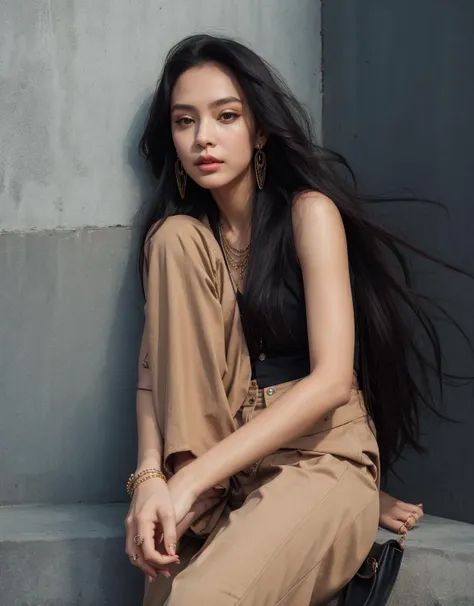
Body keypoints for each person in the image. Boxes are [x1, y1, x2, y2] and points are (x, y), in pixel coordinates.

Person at [121, 33, 474, 605]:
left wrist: (188, 480)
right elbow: (150, 379)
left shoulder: (309, 214)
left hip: (315, 455)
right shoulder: (180, 242)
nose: (202, 137)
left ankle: (335, 499)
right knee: (173, 236)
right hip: (216, 471)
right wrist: (151, 480)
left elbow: (332, 381)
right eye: (184, 121)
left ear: (260, 130)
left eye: (226, 116)